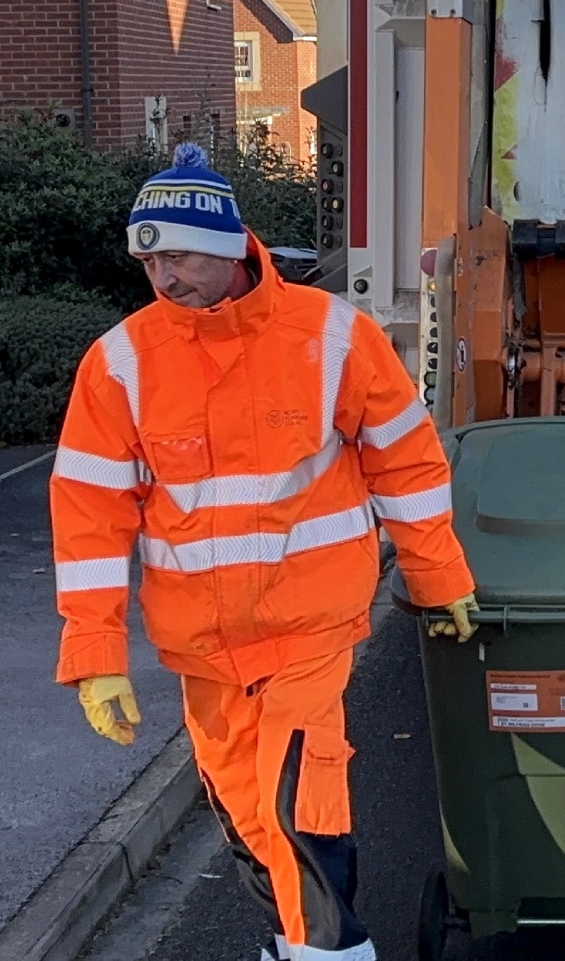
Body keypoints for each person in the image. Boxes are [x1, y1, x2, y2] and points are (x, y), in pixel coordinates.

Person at [49, 143, 476, 961]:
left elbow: (406, 461)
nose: (162, 278)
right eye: (148, 261)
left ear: (226, 245)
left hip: (309, 627)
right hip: (204, 649)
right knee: (246, 812)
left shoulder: (331, 338)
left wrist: (437, 574)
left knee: (299, 801)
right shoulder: (122, 362)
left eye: (176, 256)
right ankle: (295, 943)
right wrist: (96, 651)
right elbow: (89, 514)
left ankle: (331, 953)